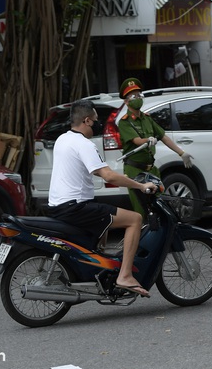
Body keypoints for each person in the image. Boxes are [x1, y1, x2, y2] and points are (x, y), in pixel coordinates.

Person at [47, 99, 158, 297]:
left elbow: (97, 171)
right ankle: (124, 275)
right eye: (97, 120)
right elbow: (108, 175)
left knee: (104, 217)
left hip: (60, 206)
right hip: (76, 208)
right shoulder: (83, 144)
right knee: (134, 219)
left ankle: (101, 271)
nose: (99, 124)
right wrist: (140, 186)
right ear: (87, 120)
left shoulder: (63, 139)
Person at [117, 78, 194, 215]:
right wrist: (147, 140)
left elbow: (163, 136)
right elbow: (136, 140)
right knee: (141, 210)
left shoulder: (147, 118)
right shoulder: (125, 122)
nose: (138, 98)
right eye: (133, 96)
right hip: (135, 172)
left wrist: (181, 153)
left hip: (151, 170)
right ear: (126, 101)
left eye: (140, 95)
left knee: (158, 207)